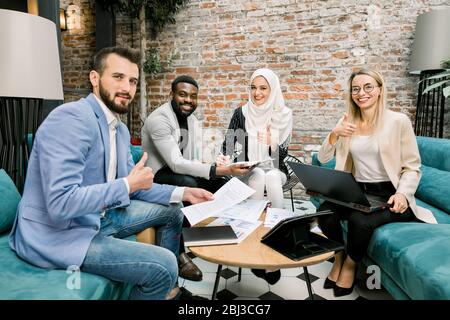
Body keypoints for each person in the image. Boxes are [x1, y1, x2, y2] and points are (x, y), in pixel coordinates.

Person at [9, 47, 213, 300]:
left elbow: (135, 183)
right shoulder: (70, 119)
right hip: (60, 233)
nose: (127, 88)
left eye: (132, 81)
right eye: (118, 77)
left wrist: (185, 192)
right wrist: (127, 185)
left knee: (174, 212)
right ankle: (166, 282)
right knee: (162, 265)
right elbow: (59, 204)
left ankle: (168, 292)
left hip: (99, 216)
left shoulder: (120, 129)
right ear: (95, 78)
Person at [317, 68, 437, 297]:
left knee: (359, 219)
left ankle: (350, 265)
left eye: (368, 87)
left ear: (380, 90)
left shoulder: (398, 121)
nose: (361, 93)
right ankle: (339, 257)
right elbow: (323, 158)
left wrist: (402, 194)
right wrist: (334, 134)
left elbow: (412, 166)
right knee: (325, 212)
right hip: (357, 190)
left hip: (390, 193)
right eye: (356, 89)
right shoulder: (347, 122)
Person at [141, 75, 251, 281]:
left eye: (193, 96)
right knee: (191, 183)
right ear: (171, 94)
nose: (188, 100)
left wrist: (218, 165)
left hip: (179, 171)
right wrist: (218, 169)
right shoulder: (159, 120)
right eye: (182, 94)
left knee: (222, 183)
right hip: (157, 176)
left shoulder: (192, 120)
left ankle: (233, 236)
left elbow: (193, 158)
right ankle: (179, 254)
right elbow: (175, 163)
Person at [217, 68, 293, 284]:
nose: (257, 93)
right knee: (259, 173)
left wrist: (271, 142)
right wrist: (223, 158)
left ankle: (275, 239)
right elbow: (229, 145)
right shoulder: (241, 113)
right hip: (250, 170)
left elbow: (281, 159)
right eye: (253, 87)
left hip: (277, 170)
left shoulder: (283, 114)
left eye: (263, 88)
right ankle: (256, 240)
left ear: (273, 89)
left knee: (270, 176)